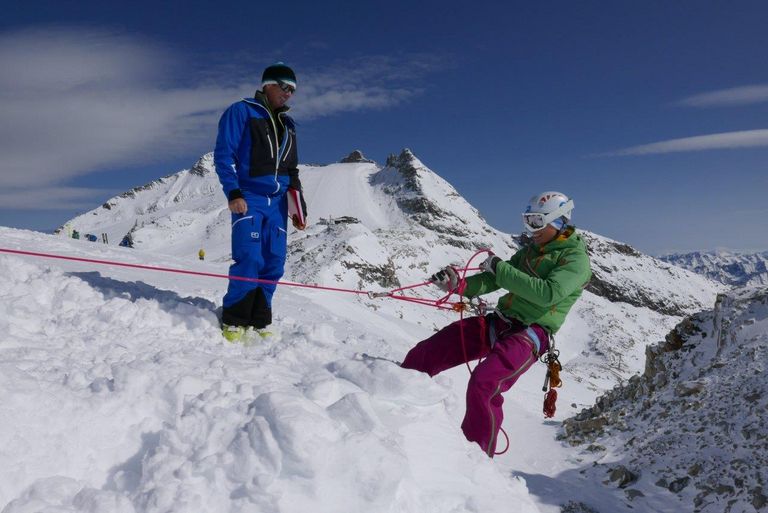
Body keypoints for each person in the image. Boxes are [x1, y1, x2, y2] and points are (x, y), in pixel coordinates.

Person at [401, 191, 591, 457]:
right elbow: (494, 280)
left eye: (536, 222)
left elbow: (547, 293)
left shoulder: (575, 260)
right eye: (527, 221)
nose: (530, 230)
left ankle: (476, 461)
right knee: (432, 349)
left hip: (531, 333)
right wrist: (460, 285)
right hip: (501, 321)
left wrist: (501, 268)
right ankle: (394, 401)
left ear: (558, 222)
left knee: (484, 383)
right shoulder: (530, 252)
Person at [213, 62, 307, 342]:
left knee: (274, 262)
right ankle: (234, 317)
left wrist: (298, 207)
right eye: (285, 87)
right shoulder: (241, 111)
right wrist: (234, 192)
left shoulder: (289, 126)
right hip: (250, 197)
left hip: (278, 202)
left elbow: (292, 171)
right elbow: (223, 154)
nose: (289, 94)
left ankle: (259, 319)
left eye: (293, 90)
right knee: (250, 257)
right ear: (268, 84)